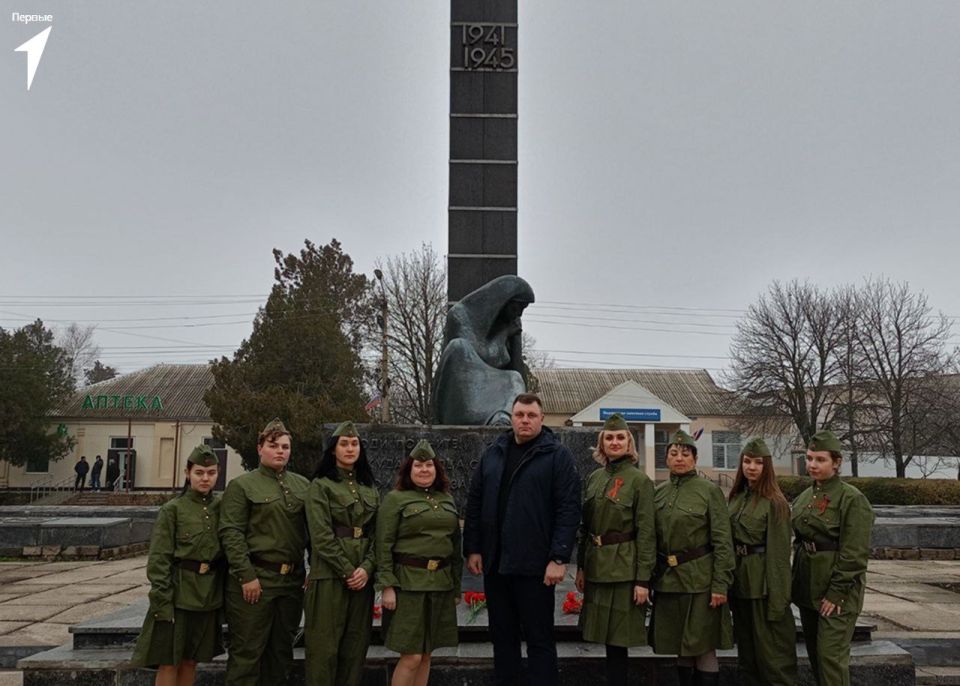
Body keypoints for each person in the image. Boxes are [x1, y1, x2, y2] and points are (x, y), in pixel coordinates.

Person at [463, 392, 582, 686]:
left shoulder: (557, 455)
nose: (525, 420)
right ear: (512, 418)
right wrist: (473, 548)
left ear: (541, 419)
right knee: (502, 638)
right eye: (519, 415)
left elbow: (568, 509)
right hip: (496, 564)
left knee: (539, 639)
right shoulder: (494, 452)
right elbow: (476, 501)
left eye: (531, 416)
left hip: (535, 566)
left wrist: (559, 557)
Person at [218, 418, 310, 686]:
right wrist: (246, 576)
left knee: (281, 653)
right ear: (260, 448)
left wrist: (312, 568)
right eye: (274, 445)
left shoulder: (303, 485)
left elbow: (314, 531)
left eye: (285, 446)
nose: (281, 451)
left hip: (291, 584)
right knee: (247, 653)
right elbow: (231, 533)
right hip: (255, 581)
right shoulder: (242, 486)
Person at [130, 445, 224, 685]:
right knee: (170, 660)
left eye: (211, 473)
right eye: (200, 472)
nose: (205, 478)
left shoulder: (220, 508)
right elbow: (159, 559)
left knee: (191, 659)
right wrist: (162, 601)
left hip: (207, 596)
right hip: (178, 595)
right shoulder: (172, 510)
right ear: (187, 473)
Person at [575, 413, 656, 686]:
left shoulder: (640, 481)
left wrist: (643, 580)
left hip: (624, 569)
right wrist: (582, 568)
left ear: (629, 442)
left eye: (620, 437)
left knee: (619, 642)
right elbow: (585, 527)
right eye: (609, 437)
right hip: (597, 568)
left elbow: (647, 533)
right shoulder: (595, 478)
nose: (615, 442)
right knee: (603, 638)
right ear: (602, 443)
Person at [650, 430, 734, 686]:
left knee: (702, 644)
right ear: (666, 459)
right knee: (680, 644)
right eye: (673, 454)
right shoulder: (659, 492)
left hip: (700, 581)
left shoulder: (709, 491)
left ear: (695, 459)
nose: (679, 458)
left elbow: (722, 541)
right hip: (669, 581)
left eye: (685, 454)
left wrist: (720, 584)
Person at [792, 430, 875, 686]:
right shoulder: (805, 497)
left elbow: (855, 553)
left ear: (836, 462)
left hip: (836, 592)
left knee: (831, 659)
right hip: (808, 588)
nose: (812, 465)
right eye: (809, 458)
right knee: (817, 658)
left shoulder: (851, 499)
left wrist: (837, 592)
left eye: (820, 459)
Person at [376, 439, 461, 686]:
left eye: (429, 466)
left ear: (437, 470)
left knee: (426, 654)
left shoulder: (447, 499)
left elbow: (456, 547)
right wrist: (387, 585)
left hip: (440, 584)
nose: (424, 470)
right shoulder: (396, 499)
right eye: (418, 466)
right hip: (408, 585)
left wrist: (456, 587)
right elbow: (383, 543)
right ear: (408, 470)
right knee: (411, 655)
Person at [304, 421, 380, 686]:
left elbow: (377, 536)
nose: (350, 448)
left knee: (354, 651)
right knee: (324, 653)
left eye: (354, 443)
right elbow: (321, 537)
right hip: (329, 578)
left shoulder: (369, 488)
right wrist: (349, 571)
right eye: (344, 444)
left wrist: (367, 569)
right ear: (333, 450)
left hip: (362, 580)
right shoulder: (321, 486)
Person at [726, 437, 796, 686]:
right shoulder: (735, 498)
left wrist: (778, 601)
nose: (751, 467)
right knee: (748, 659)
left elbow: (779, 557)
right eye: (747, 461)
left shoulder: (775, 503)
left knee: (773, 660)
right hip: (740, 585)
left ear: (767, 466)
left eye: (757, 462)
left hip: (763, 589)